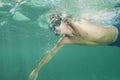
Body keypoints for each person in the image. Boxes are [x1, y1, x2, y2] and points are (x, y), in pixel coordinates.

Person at [28, 7, 120, 80]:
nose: (54, 28)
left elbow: (69, 13)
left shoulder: (79, 21)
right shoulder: (65, 40)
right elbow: (51, 53)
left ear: (63, 21)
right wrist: (37, 70)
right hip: (115, 42)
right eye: (52, 27)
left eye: (56, 23)